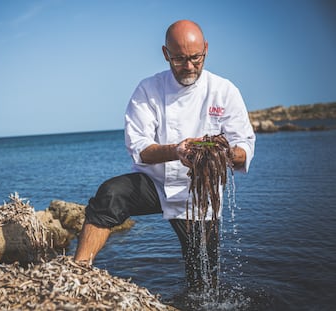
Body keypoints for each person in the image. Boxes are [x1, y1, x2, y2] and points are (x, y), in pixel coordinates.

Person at [74, 19, 255, 288]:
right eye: (180, 59)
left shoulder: (224, 91)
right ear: (165, 54)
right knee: (110, 195)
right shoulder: (148, 90)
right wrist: (177, 150)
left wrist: (221, 154)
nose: (190, 66)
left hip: (199, 190)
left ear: (206, 49)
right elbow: (141, 149)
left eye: (196, 57)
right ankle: (77, 271)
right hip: (155, 182)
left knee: (204, 278)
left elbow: (244, 147)